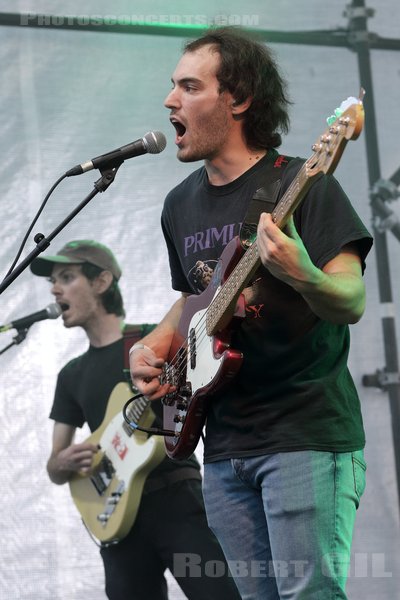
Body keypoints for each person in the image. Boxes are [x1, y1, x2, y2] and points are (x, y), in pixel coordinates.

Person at [129, 27, 374, 599]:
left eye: (189, 87)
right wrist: (156, 344)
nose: (170, 101)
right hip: (224, 444)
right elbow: (197, 296)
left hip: (304, 433)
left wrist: (301, 274)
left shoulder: (302, 184)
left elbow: (351, 300)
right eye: (173, 87)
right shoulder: (179, 203)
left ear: (237, 99)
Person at [30, 239, 240, 600]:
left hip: (176, 495)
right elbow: (55, 464)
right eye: (53, 281)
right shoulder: (71, 375)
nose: (54, 288)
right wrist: (61, 462)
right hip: (117, 519)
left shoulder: (150, 341)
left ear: (101, 282)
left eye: (66, 276)